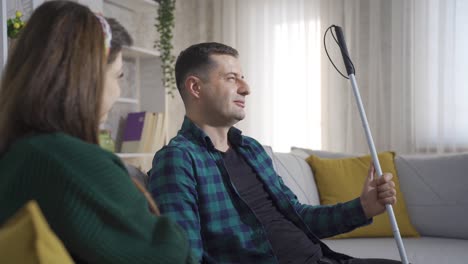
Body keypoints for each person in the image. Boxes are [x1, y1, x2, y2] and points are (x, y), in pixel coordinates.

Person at [149, 42, 402, 264]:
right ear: (195, 87)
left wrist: (363, 208)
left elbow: (299, 216)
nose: (246, 88)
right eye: (231, 78)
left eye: (243, 77)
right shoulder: (178, 159)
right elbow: (184, 255)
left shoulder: (251, 149)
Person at [0, 1, 193, 263]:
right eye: (118, 76)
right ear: (88, 77)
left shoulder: (19, 152)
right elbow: (168, 254)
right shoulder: (69, 161)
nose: (119, 91)